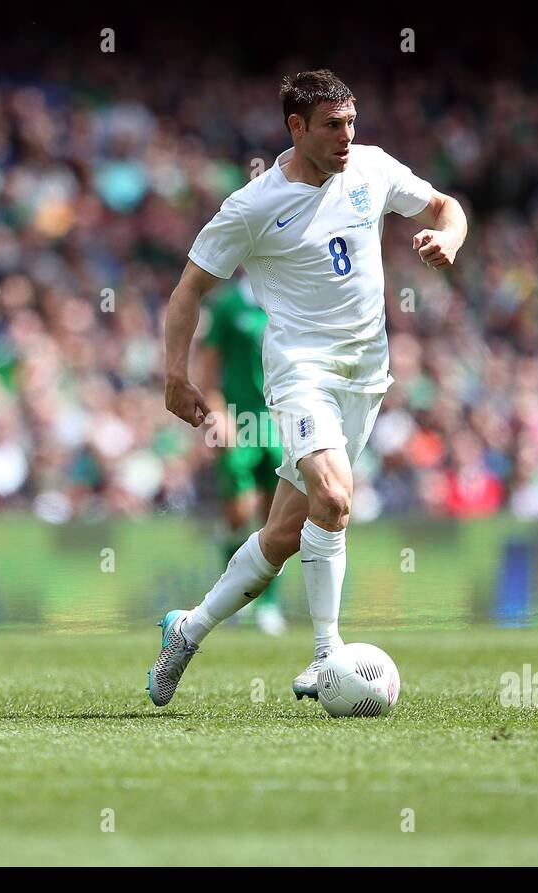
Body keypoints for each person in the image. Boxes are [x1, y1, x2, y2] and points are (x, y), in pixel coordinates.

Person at [149, 70, 466, 705]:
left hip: (366, 376)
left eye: (351, 121)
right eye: (332, 125)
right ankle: (328, 655)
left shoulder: (372, 169)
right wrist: (175, 375)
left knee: (285, 535)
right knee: (336, 497)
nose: (347, 136)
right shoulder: (252, 206)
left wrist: (449, 238)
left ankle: (188, 628)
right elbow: (188, 289)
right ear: (296, 128)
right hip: (301, 371)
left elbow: (443, 207)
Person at [199, 275, 287, 636]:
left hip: (282, 418)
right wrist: (216, 412)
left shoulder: (288, 294)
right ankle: (231, 596)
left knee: (277, 519)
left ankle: (268, 605)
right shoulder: (228, 305)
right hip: (241, 419)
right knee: (238, 511)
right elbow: (208, 367)